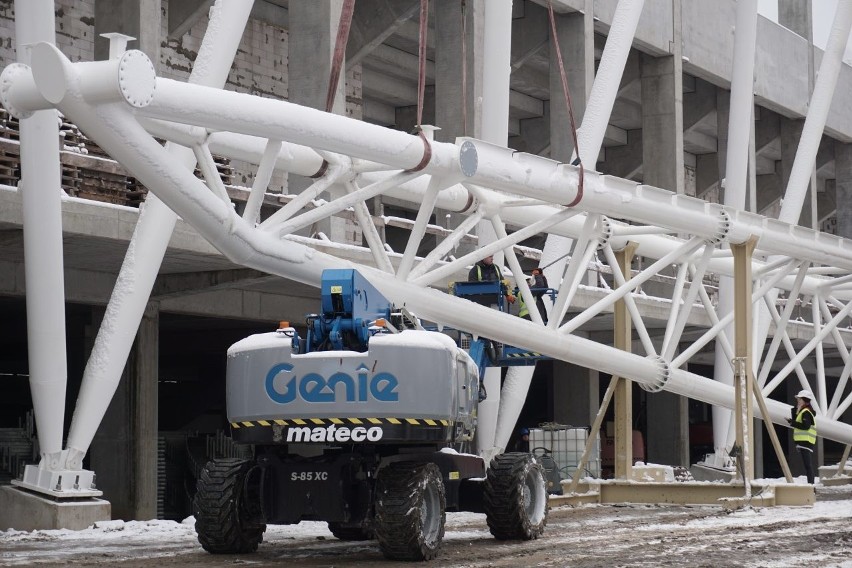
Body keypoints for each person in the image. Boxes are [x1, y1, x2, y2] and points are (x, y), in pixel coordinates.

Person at [786, 389, 817, 484]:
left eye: (799, 399)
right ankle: (811, 485)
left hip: (805, 441)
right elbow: (798, 422)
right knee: (807, 465)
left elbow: (805, 426)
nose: (797, 401)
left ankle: (811, 485)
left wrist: (792, 422)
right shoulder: (803, 411)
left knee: (808, 466)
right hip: (804, 442)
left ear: (804, 400)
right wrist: (796, 411)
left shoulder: (806, 412)